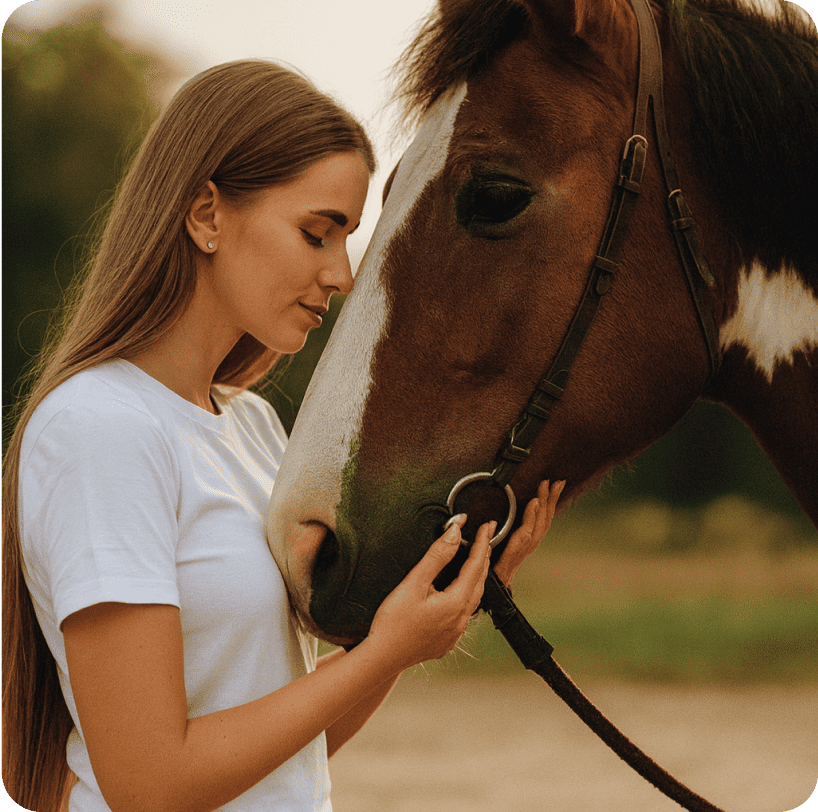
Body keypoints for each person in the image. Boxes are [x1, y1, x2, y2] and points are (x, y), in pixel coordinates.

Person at [1, 59, 564, 812]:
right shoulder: (100, 428)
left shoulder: (250, 425)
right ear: (206, 215)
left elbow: (290, 751)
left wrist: (427, 615)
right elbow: (149, 782)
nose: (341, 275)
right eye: (316, 233)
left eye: (346, 239)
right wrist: (384, 652)